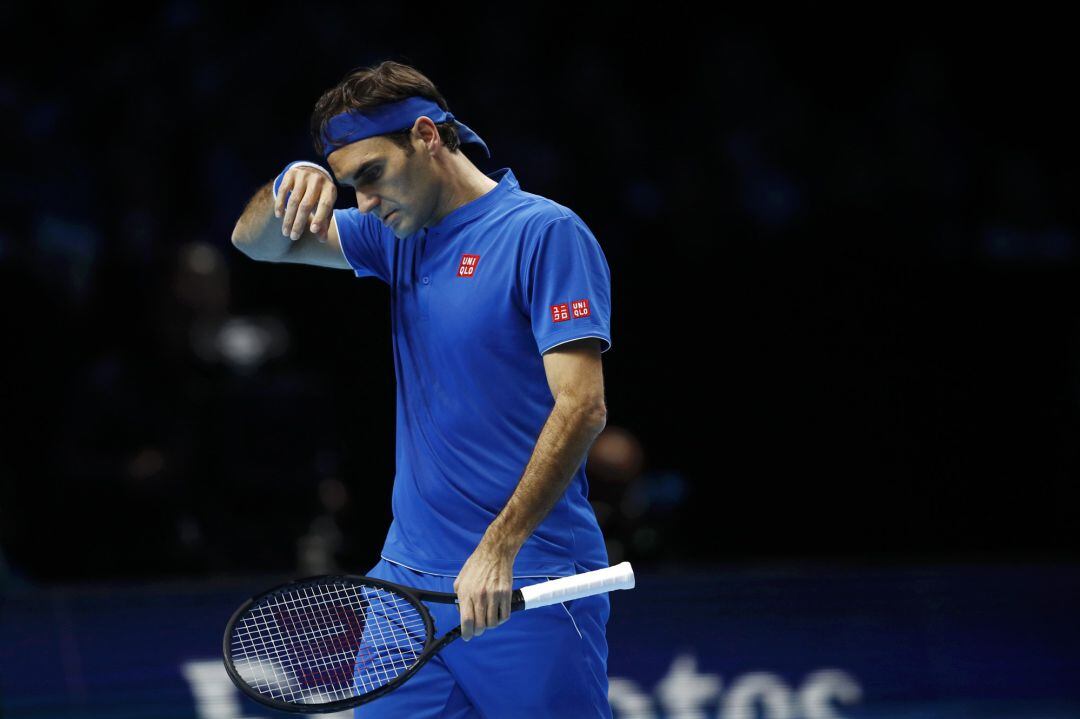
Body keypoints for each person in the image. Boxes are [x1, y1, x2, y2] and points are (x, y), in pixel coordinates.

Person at [231, 60, 614, 718]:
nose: (365, 203)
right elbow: (253, 242)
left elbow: (582, 405)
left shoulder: (543, 234)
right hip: (406, 588)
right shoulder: (394, 237)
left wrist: (498, 548)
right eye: (350, 186)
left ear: (428, 136)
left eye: (372, 175)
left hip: (524, 580)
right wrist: (289, 184)